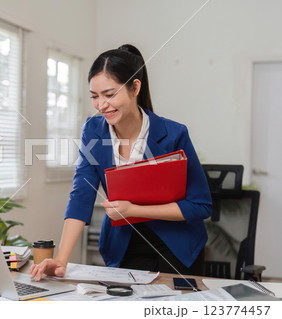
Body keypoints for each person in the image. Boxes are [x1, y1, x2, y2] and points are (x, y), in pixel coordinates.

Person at [30, 44, 212, 281]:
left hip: (178, 250)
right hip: (123, 248)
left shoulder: (173, 134)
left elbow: (200, 205)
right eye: (95, 96)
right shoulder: (93, 130)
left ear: (135, 87)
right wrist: (61, 260)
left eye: (110, 94)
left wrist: (133, 210)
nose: (101, 105)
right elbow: (82, 194)